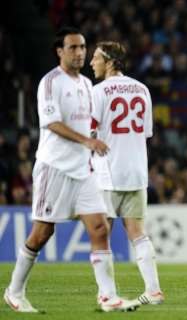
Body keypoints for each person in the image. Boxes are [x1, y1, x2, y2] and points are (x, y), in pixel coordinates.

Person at [3, 27, 139, 313]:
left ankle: (108, 297)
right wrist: (88, 140)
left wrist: (97, 143)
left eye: (83, 47)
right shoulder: (50, 83)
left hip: (83, 170)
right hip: (54, 168)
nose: (80, 53)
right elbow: (52, 123)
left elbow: (87, 122)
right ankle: (14, 291)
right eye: (73, 48)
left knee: (100, 228)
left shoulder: (86, 85)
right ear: (60, 51)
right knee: (42, 234)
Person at [89, 41, 163, 305]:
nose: (91, 62)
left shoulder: (98, 92)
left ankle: (107, 294)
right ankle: (153, 290)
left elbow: (90, 132)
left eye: (96, 57)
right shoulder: (142, 89)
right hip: (136, 172)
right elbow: (146, 133)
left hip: (107, 173)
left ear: (109, 61)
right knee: (138, 233)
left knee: (100, 234)